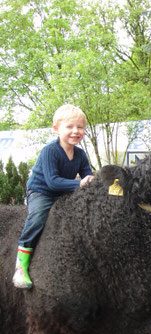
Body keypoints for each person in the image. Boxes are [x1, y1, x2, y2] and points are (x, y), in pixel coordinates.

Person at [12, 104, 94, 290]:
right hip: (42, 191)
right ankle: (21, 266)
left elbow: (87, 176)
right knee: (38, 218)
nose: (76, 131)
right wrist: (80, 184)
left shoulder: (80, 154)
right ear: (56, 129)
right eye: (70, 127)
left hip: (64, 191)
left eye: (80, 127)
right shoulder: (50, 151)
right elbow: (52, 182)